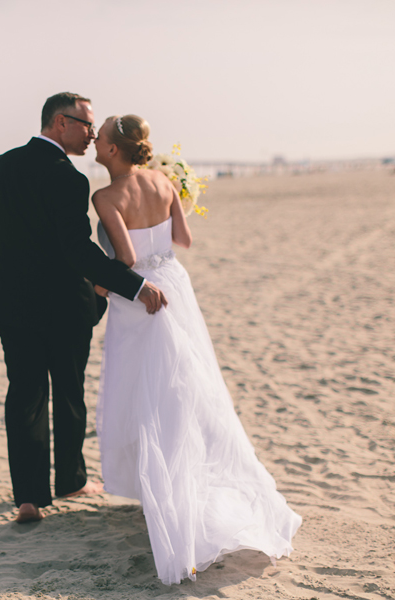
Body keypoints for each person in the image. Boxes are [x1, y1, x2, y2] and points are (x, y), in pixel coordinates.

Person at [92, 114, 301, 584]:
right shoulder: (165, 181)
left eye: (100, 136)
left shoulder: (105, 197)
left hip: (141, 295)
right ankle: (178, 484)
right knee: (187, 384)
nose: (95, 140)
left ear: (111, 150)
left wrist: (100, 281)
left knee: (148, 392)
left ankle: (167, 491)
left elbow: (125, 260)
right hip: (176, 285)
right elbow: (183, 239)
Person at [0, 93, 168, 524]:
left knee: (24, 393)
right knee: (67, 390)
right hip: (64, 304)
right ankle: (72, 481)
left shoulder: (2, 164)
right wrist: (132, 285)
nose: (92, 134)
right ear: (60, 123)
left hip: (12, 300)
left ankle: (28, 496)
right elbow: (77, 250)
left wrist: (5, 276)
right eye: (85, 125)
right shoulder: (68, 178)